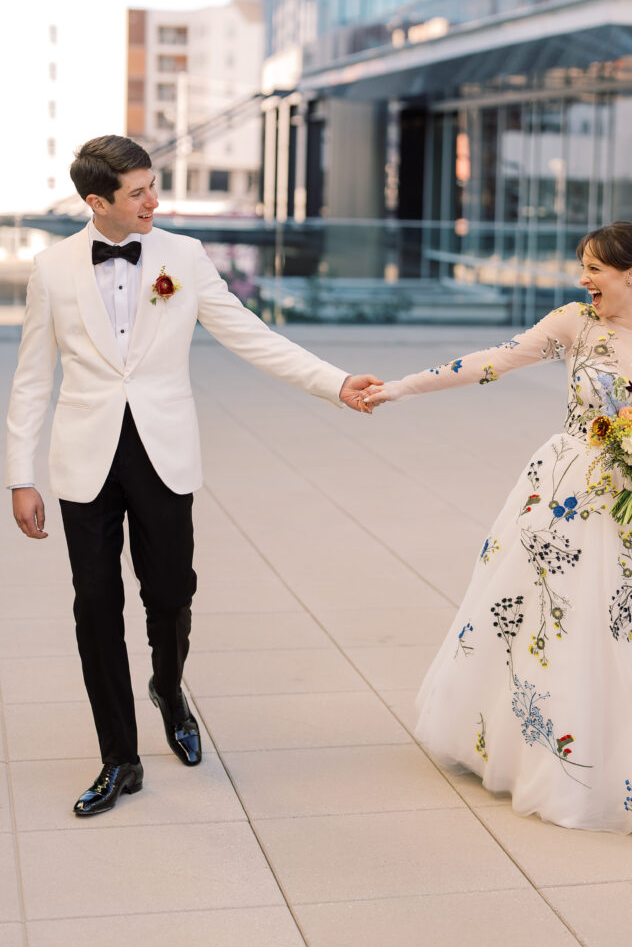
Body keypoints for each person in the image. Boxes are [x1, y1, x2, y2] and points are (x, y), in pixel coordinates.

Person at [6, 135, 381, 817]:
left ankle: (168, 687)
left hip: (163, 451)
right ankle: (119, 758)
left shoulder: (182, 256)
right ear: (98, 203)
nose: (156, 200)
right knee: (95, 608)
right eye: (139, 192)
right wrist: (19, 477)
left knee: (171, 592)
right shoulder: (52, 268)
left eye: (153, 184)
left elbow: (249, 334)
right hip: (83, 461)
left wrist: (335, 383)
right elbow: (32, 379)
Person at [363, 222, 632, 845]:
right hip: (570, 491)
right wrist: (400, 388)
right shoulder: (575, 323)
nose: (584, 279)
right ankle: (546, 750)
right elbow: (494, 361)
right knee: (557, 621)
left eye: (595, 268)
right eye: (583, 266)